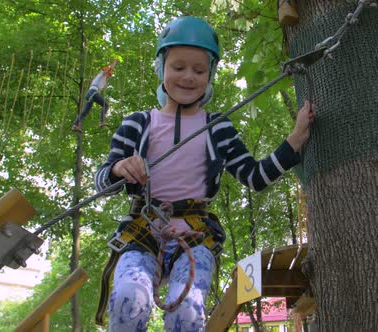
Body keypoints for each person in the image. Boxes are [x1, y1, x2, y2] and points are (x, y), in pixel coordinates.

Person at [95, 16, 314, 331]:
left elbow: (255, 177)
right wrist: (118, 168)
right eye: (178, 67)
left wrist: (294, 141)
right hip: (143, 233)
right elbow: (103, 183)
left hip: (196, 236)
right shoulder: (137, 124)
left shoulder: (219, 128)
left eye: (199, 70)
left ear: (210, 75)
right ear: (161, 69)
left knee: (188, 309)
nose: (188, 77)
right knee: (129, 297)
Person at [73, 59, 118, 132]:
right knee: (106, 105)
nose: (108, 76)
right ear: (106, 71)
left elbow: (101, 85)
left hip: (91, 94)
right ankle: (101, 121)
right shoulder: (102, 73)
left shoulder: (102, 80)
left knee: (85, 112)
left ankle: (75, 124)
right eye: (109, 74)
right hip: (93, 92)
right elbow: (109, 69)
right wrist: (115, 63)